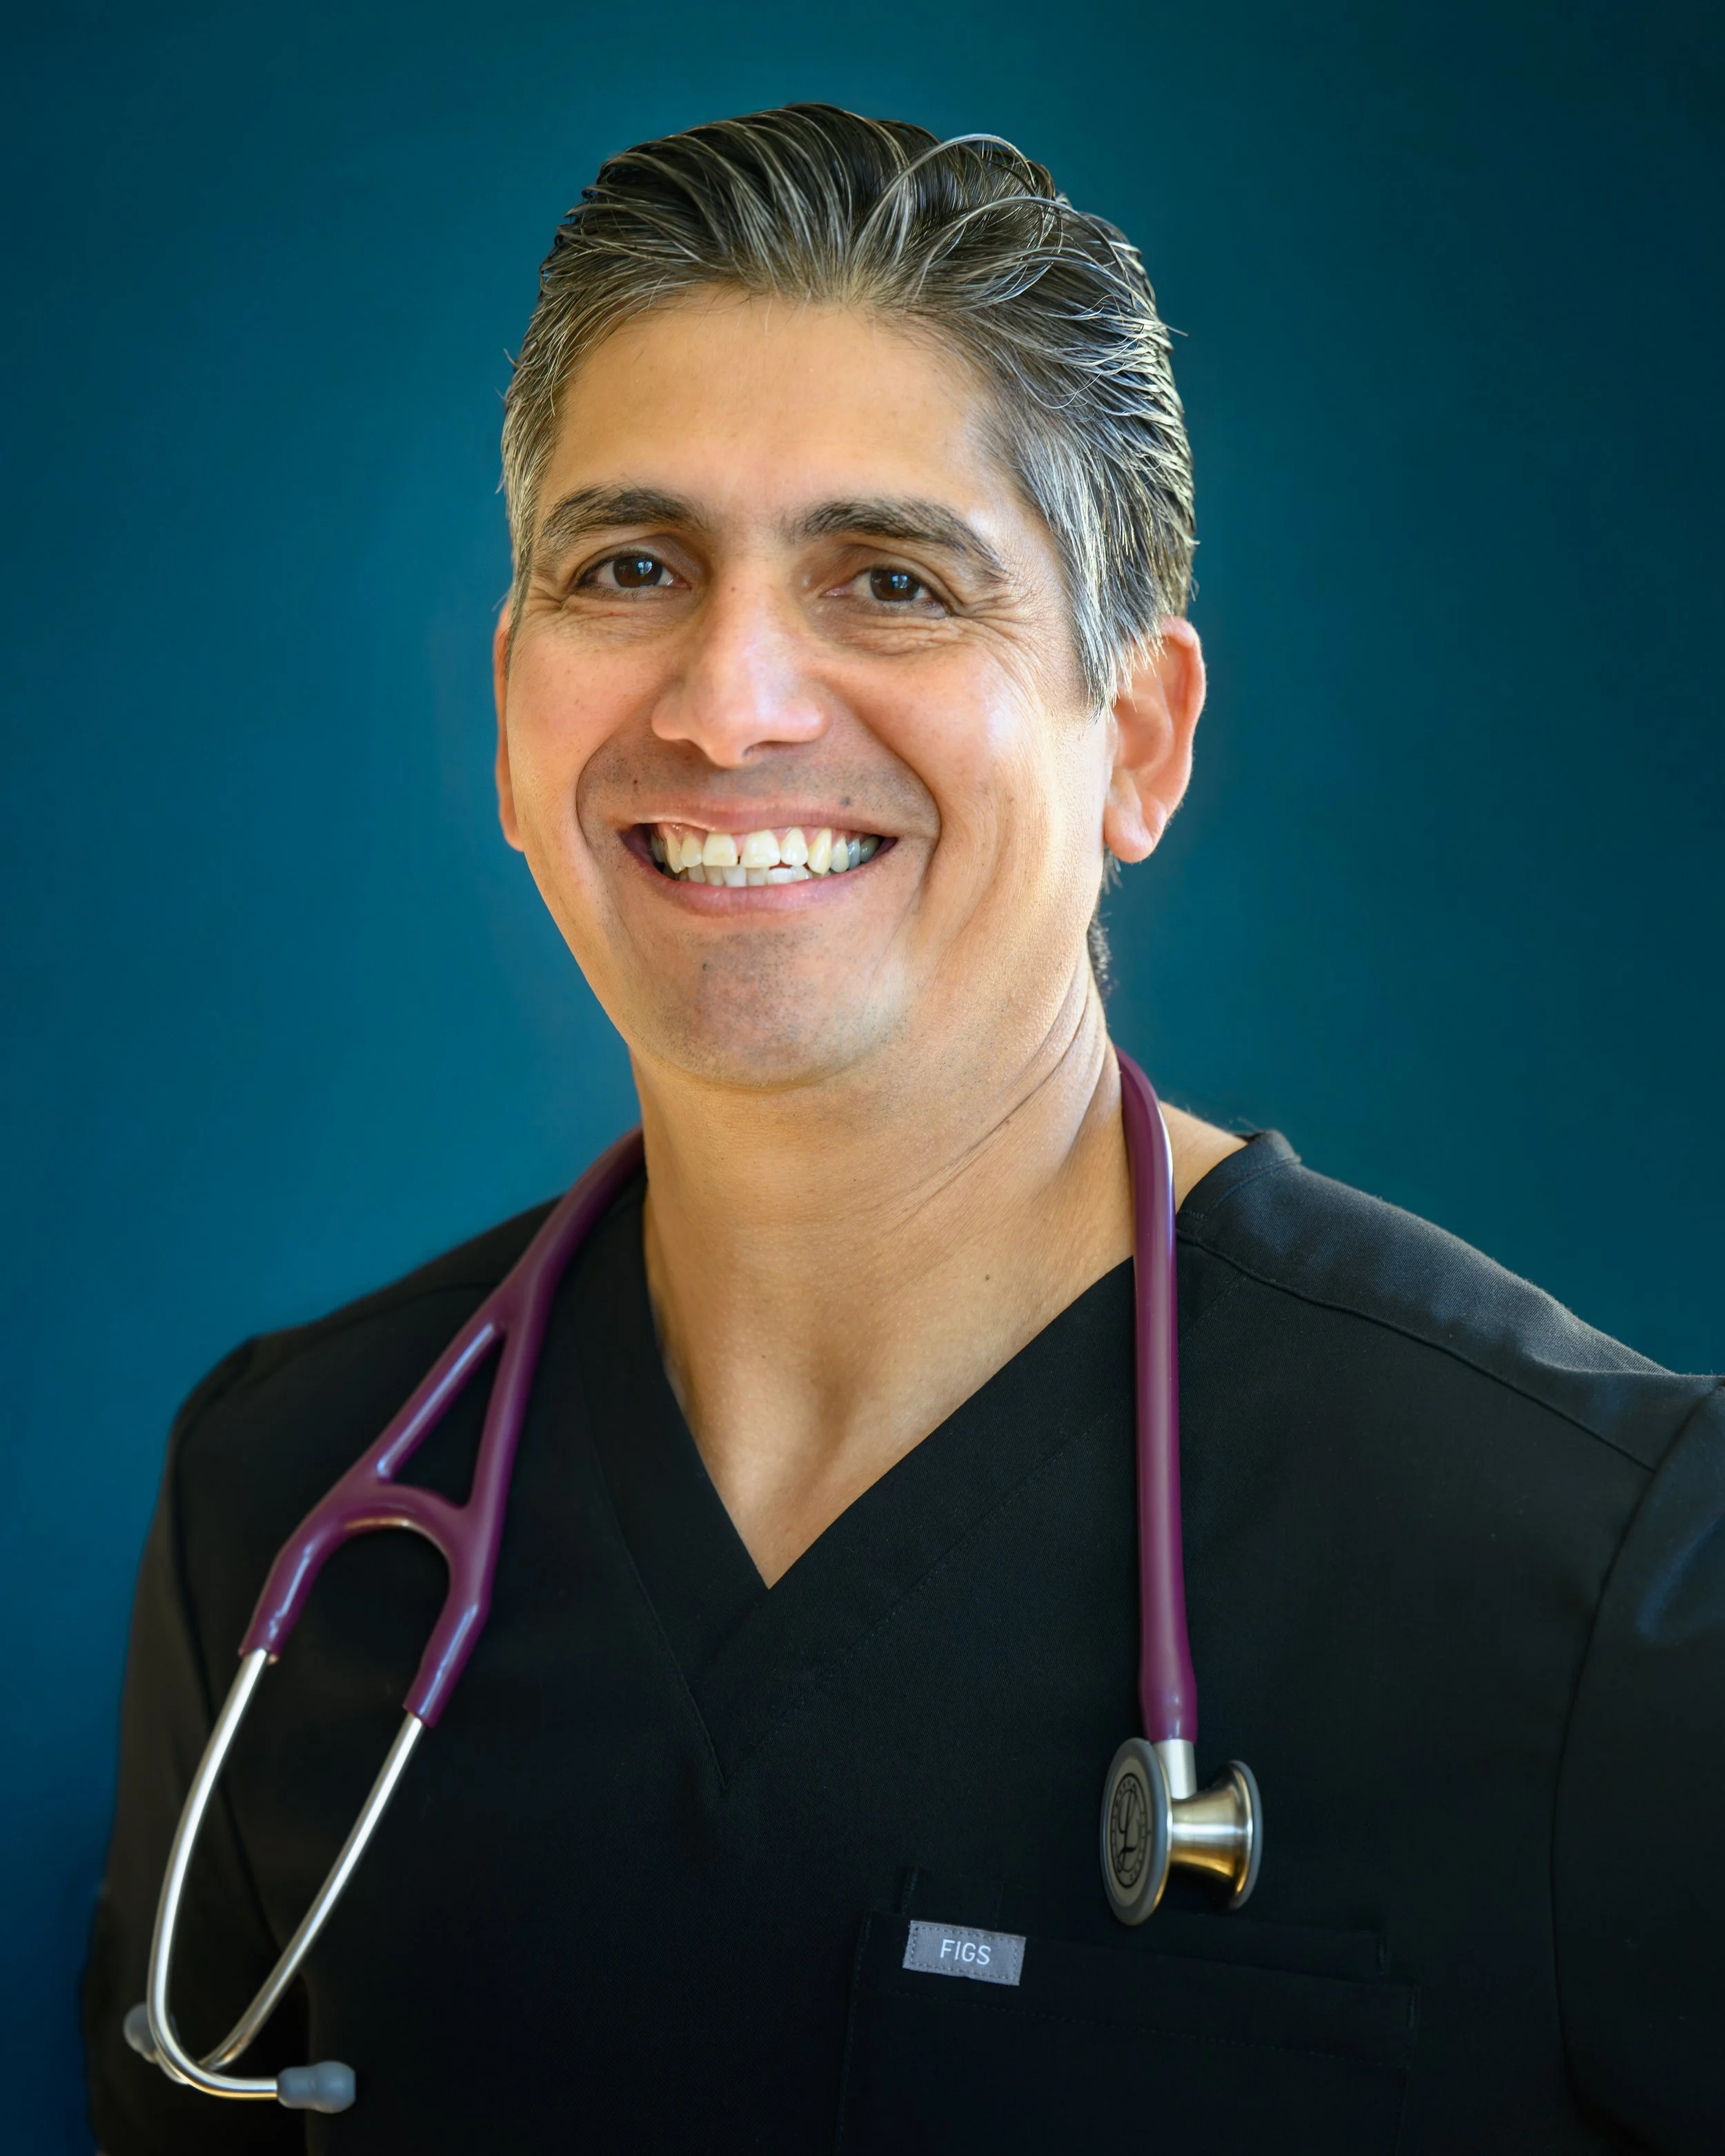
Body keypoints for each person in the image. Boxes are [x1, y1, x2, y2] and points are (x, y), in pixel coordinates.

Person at [83, 104, 1723, 2155]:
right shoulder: (283, 1512)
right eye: (632, 566)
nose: (731, 699)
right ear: (513, 715)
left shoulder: (1605, 1579)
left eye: (888, 579)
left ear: (1136, 737)